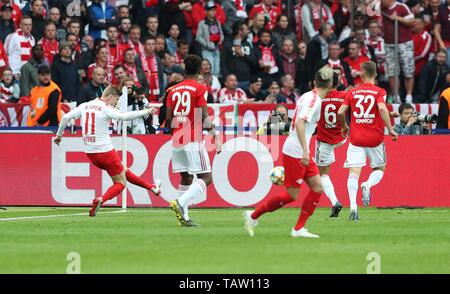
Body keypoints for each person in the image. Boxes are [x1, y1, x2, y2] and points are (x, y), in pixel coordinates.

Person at [243, 65, 334, 239]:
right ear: (330, 84)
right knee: (292, 194)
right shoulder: (313, 101)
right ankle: (253, 216)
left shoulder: (307, 96)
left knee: (317, 187)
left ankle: (298, 228)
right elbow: (299, 123)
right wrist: (306, 151)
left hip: (299, 150)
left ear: (315, 81)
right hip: (297, 152)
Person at [54, 85, 161, 217]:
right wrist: (146, 112)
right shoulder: (105, 108)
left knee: (123, 170)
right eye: (116, 101)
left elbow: (65, 118)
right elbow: (123, 117)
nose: (115, 104)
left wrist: (59, 136)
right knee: (121, 183)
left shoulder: (85, 105)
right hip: (105, 152)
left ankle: (152, 188)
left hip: (91, 154)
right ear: (110, 97)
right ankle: (101, 199)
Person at [337, 61, 398, 221]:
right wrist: (390, 129)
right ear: (375, 75)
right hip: (375, 139)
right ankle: (368, 185)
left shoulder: (353, 92)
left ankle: (353, 207)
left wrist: (344, 126)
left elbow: (341, 111)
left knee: (353, 172)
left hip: (356, 138)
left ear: (361, 75)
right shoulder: (379, 91)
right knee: (379, 168)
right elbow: (383, 108)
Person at [166, 54, 222, 227]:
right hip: (192, 138)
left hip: (176, 138)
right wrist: (215, 135)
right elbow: (204, 117)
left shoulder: (172, 90)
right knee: (206, 177)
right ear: (199, 70)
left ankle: (185, 217)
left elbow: (168, 120)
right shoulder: (198, 89)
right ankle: (181, 202)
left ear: (184, 68)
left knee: (186, 177)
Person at [314, 70, 347, 217]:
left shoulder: (317, 98)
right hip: (341, 138)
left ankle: (335, 202)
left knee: (323, 175)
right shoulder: (344, 96)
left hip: (325, 141)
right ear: (338, 83)